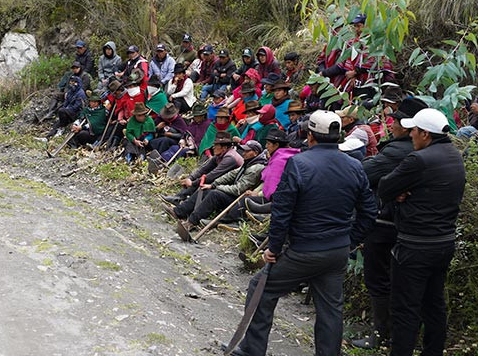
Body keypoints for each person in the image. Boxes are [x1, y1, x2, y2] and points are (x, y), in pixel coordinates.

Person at [229, 110, 377, 356]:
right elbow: (369, 211)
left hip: (305, 249)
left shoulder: (299, 163)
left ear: (310, 136)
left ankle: (252, 349)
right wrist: (350, 241)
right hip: (336, 252)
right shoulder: (354, 166)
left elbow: (282, 212)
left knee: (261, 287)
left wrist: (274, 248)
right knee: (330, 309)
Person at [377, 108, 466, 356]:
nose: (411, 134)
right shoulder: (453, 154)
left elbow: (384, 187)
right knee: (434, 304)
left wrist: (399, 194)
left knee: (405, 308)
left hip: (415, 245)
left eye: (414, 130)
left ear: (425, 134)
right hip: (444, 243)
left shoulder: (419, 160)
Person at [352, 97, 427, 350]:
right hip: (404, 226)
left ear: (406, 127)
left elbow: (364, 173)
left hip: (384, 224)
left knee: (378, 278)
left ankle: (381, 334)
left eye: (395, 120)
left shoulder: (398, 151)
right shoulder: (418, 149)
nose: (391, 124)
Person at [165, 138, 267, 232]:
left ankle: (191, 222)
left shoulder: (255, 168)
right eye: (244, 150)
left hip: (239, 200)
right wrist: (213, 184)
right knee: (206, 189)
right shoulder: (249, 162)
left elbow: (238, 189)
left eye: (247, 151)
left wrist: (216, 187)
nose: (243, 153)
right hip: (233, 193)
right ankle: (179, 212)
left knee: (214, 195)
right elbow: (230, 175)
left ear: (255, 153)